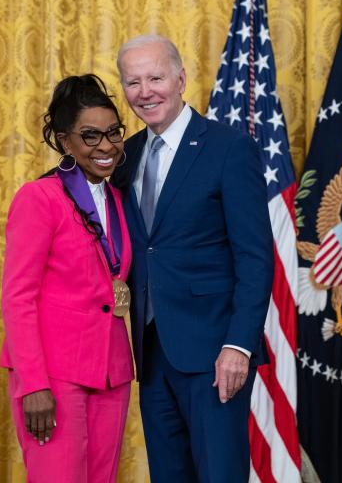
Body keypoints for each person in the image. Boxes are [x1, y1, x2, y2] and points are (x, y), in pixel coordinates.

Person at [110, 34, 274, 482]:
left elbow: (256, 258)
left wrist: (238, 345)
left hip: (214, 352)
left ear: (181, 79)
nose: (145, 92)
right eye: (133, 82)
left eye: (156, 77)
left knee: (219, 474)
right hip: (151, 350)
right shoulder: (127, 156)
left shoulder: (228, 147)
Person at [0, 74, 134, 483]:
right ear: (64, 141)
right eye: (90, 136)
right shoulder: (39, 198)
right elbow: (17, 297)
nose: (106, 146)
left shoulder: (118, 199)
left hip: (112, 372)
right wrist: (33, 385)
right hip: (53, 376)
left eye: (113, 133)